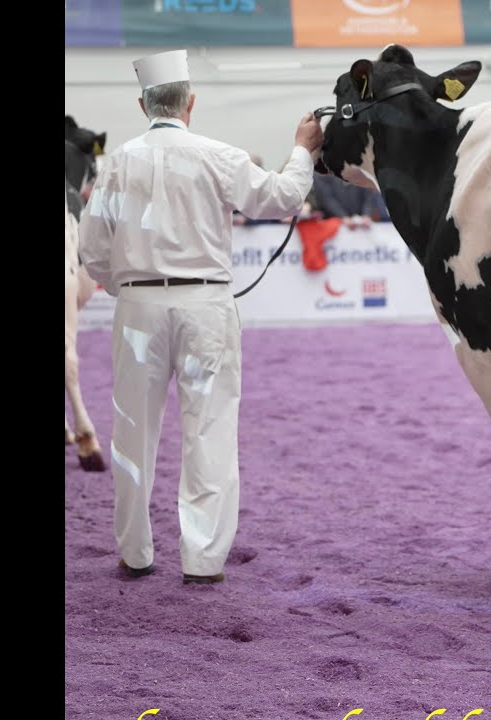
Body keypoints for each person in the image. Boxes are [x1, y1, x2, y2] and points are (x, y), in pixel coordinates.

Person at [78, 49, 323, 584]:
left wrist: (129, 285)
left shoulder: (116, 162)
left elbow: (92, 251)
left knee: (131, 433)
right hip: (206, 305)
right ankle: (203, 561)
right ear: (191, 103)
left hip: (139, 307)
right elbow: (281, 198)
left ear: (142, 104)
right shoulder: (219, 154)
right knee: (209, 431)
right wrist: (302, 150)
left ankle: (136, 554)